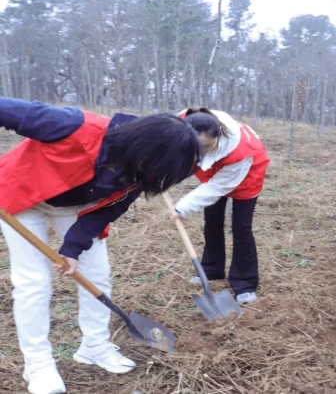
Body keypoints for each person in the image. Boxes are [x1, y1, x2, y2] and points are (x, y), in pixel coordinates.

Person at [0, 97, 202, 394]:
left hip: (78, 206)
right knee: (34, 281)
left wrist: (72, 249)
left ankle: (94, 346)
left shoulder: (143, 171)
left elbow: (107, 210)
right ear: (143, 149)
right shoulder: (73, 126)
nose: (156, 180)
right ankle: (38, 364)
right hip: (22, 196)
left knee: (97, 273)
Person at [171, 107, 270, 305]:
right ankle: (211, 269)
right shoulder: (179, 123)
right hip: (213, 172)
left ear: (219, 136)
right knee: (212, 221)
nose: (203, 152)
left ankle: (244, 283)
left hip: (246, 175)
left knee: (241, 228)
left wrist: (181, 208)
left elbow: (216, 188)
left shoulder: (240, 151)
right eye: (199, 148)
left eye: (207, 147)